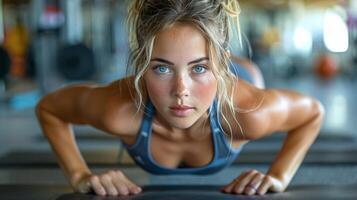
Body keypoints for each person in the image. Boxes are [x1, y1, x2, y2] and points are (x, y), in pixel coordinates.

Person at [35, 0, 324, 197]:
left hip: (236, 76)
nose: (180, 90)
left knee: (243, 76)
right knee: (186, 61)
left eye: (198, 68)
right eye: (160, 68)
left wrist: (280, 176)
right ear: (141, 65)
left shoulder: (249, 112)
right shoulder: (120, 108)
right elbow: (49, 108)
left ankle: (198, 63)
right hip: (212, 66)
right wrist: (79, 175)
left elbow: (313, 113)